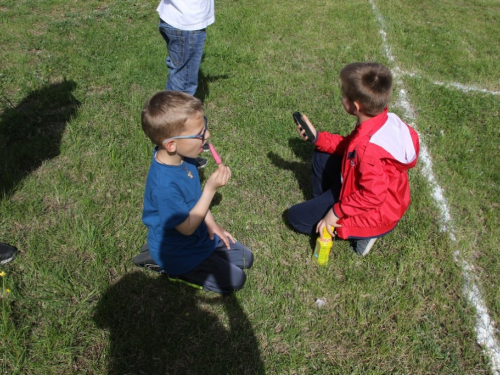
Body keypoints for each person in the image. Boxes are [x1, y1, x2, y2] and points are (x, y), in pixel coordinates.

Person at [288, 62, 420, 256]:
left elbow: (373, 195)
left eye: (343, 95)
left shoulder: (368, 151)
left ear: (355, 106)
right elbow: (349, 146)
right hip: (381, 194)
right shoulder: (381, 119)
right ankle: (323, 206)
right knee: (321, 154)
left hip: (376, 214)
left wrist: (336, 212)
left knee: (295, 217)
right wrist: (317, 137)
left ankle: (363, 233)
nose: (341, 98)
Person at [137, 91, 254, 294]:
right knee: (236, 280)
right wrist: (210, 189)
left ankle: (190, 256)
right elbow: (187, 228)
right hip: (178, 252)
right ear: (171, 144)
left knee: (246, 258)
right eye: (200, 133)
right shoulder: (164, 186)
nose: (207, 135)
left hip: (197, 237)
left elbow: (193, 199)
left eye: (205, 126)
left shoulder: (184, 158)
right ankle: (166, 266)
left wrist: (213, 225)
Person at [157, 0, 213, 96]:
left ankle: (165, 108)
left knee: (178, 72)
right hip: (187, 23)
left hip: (174, 17)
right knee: (183, 88)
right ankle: (174, 110)